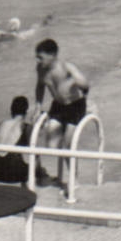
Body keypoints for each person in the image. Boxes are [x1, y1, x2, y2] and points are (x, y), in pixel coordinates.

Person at [33, 39, 90, 191]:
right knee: (51, 145)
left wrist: (76, 82)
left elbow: (85, 85)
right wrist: (38, 106)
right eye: (37, 57)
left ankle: (74, 179)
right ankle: (60, 168)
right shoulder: (41, 69)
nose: (38, 60)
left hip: (75, 107)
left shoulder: (66, 67)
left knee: (67, 146)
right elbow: (40, 87)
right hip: (58, 106)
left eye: (41, 57)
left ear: (52, 55)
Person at [0, 96, 33, 184]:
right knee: (33, 166)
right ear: (26, 112)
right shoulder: (26, 127)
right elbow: (33, 153)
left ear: (11, 110)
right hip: (14, 174)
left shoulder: (1, 124)